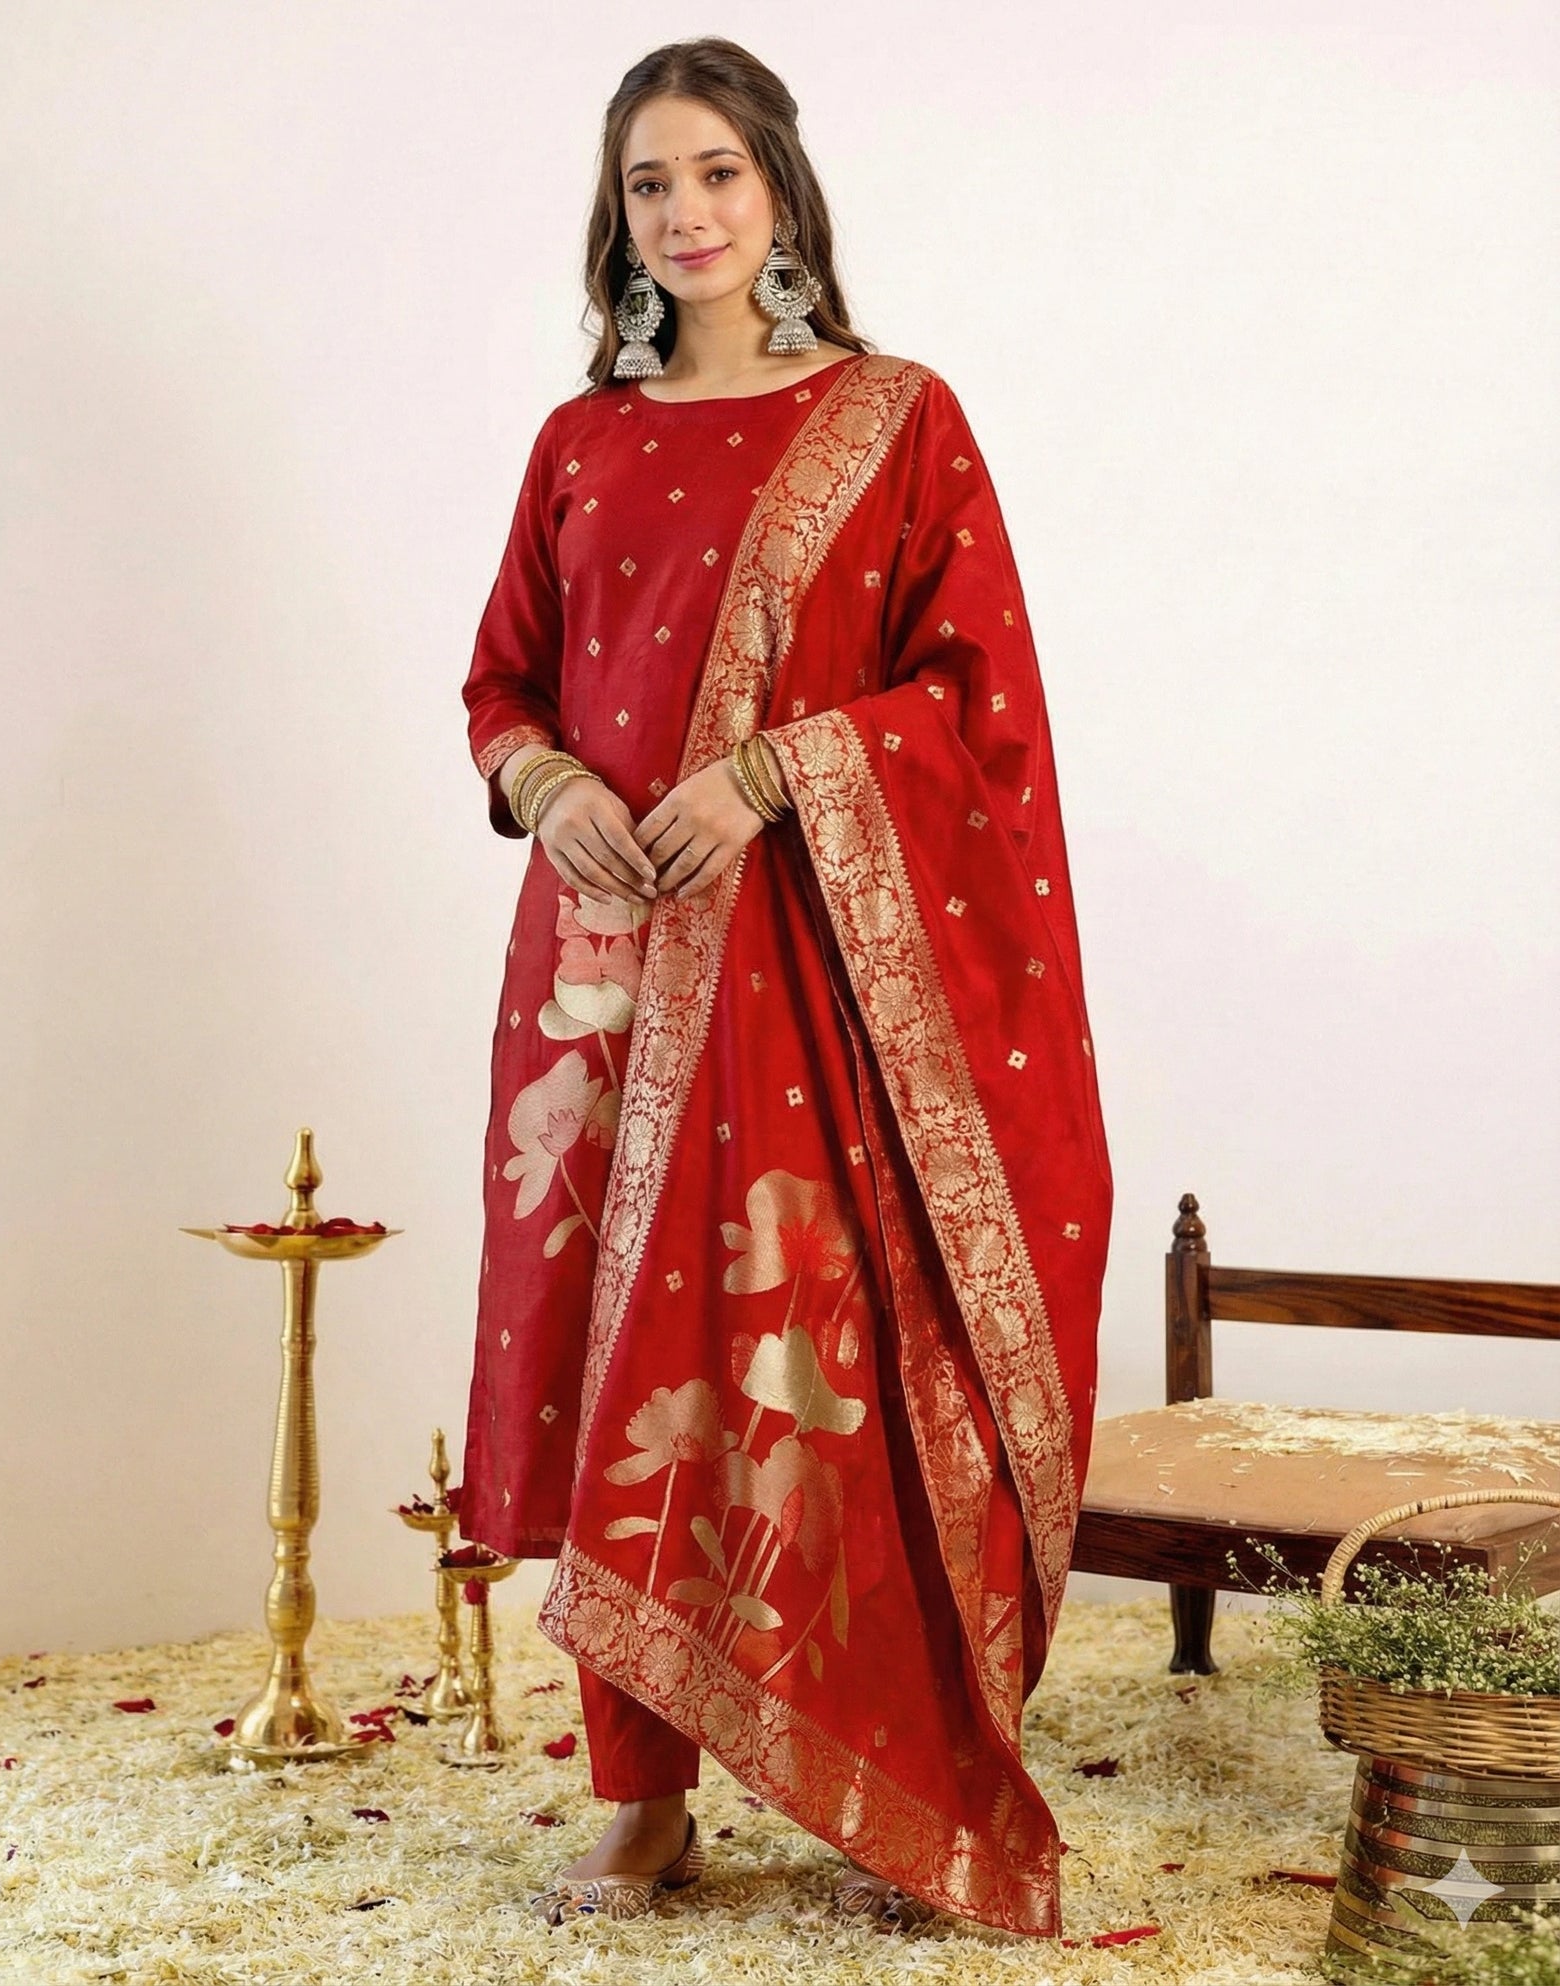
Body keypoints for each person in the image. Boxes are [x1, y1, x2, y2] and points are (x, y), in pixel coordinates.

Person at [458, 35, 1112, 1940]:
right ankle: (641, 1798)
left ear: (784, 193)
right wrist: (554, 780)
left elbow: (976, 696)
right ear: (621, 220)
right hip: (601, 978)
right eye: (653, 185)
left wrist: (771, 775)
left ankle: (892, 1779)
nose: (688, 214)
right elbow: (500, 683)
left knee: (802, 1351)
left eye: (719, 175)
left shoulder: (897, 419)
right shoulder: (580, 441)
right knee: (617, 1366)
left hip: (817, 980)